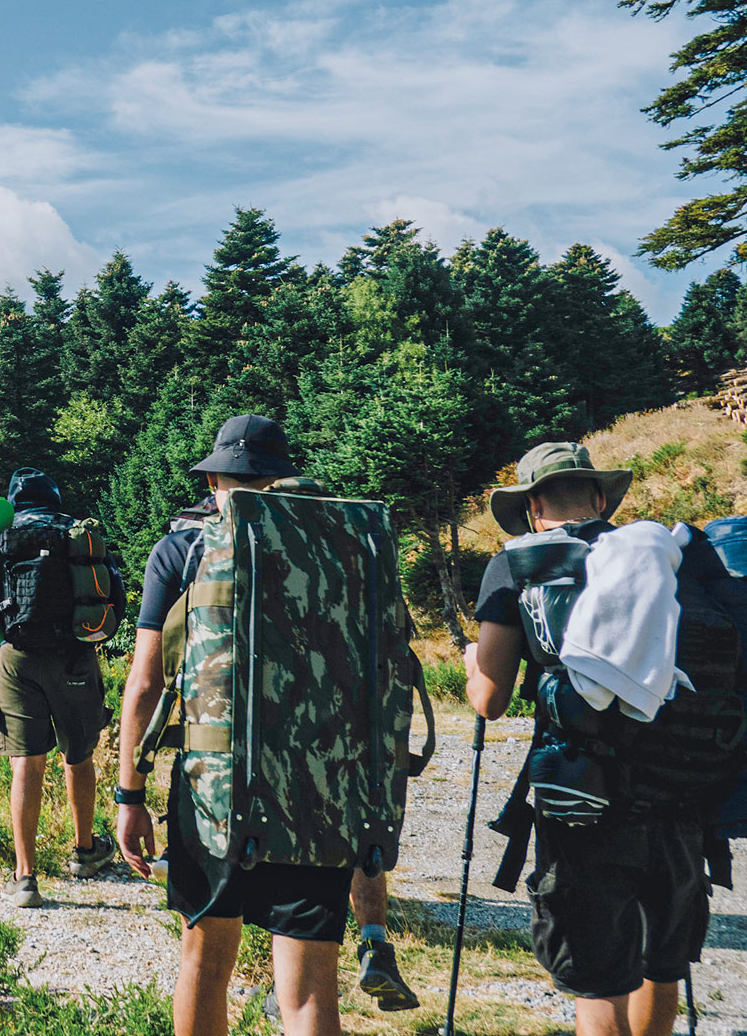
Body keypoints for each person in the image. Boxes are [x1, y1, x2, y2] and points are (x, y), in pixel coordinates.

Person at [114, 414, 415, 1036]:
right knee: (307, 993)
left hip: (215, 790)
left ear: (218, 480)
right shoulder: (344, 543)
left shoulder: (183, 548)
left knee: (204, 963)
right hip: (324, 787)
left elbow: (145, 681)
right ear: (282, 477)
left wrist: (130, 792)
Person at [464, 442, 706, 1036]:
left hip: (582, 797)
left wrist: (474, 660)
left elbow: (488, 700)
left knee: (598, 979)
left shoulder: (520, 564)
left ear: (532, 506)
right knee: (660, 963)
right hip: (680, 791)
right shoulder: (661, 559)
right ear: (600, 497)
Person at [0, 467, 116, 908]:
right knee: (78, 755)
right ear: (55, 498)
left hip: (17, 659)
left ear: (13, 502)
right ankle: (85, 852)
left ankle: (25, 877)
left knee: (26, 762)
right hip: (73, 657)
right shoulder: (76, 533)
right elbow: (112, 593)